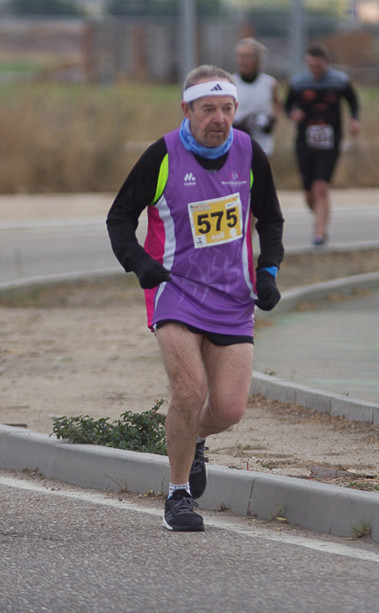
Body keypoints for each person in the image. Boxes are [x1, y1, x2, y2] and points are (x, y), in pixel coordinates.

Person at [106, 65, 284, 532]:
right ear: (187, 110)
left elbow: (271, 218)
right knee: (189, 391)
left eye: (227, 109)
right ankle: (178, 494)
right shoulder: (162, 155)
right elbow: (119, 217)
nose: (219, 119)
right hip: (175, 291)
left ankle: (194, 438)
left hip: (233, 296)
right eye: (208, 109)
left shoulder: (249, 153)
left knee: (228, 409)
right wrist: (140, 264)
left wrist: (267, 272)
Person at [284, 42, 361, 246]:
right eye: (311, 66)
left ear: (327, 62)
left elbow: (353, 102)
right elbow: (287, 105)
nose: (315, 71)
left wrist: (355, 120)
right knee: (309, 193)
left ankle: (319, 233)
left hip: (330, 141)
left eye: (319, 66)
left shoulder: (340, 81)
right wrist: (293, 114)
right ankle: (319, 215)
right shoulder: (299, 81)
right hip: (304, 141)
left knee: (321, 187)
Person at [231, 38, 282, 157]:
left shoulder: (270, 83)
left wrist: (272, 121)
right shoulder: (231, 82)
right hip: (237, 141)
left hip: (262, 143)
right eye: (239, 56)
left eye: (247, 56)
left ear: (257, 59)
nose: (241, 61)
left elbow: (278, 104)